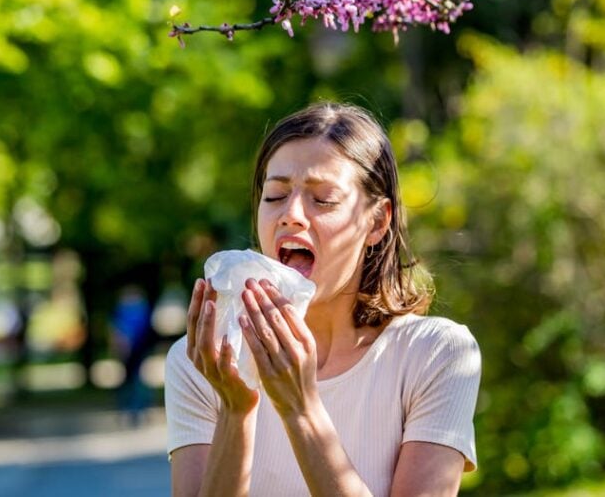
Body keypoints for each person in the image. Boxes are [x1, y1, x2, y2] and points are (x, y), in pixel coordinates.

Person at [166, 102, 482, 496]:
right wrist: (236, 408)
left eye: (323, 199)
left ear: (378, 221)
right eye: (275, 195)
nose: (291, 214)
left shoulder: (436, 354)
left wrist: (300, 408)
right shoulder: (201, 363)